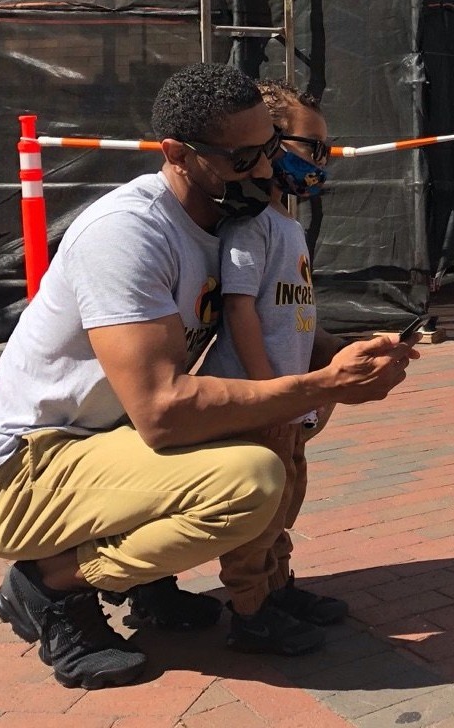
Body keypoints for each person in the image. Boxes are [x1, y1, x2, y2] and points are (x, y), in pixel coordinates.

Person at [0, 64, 418, 690]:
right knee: (249, 479)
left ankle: (151, 582)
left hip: (107, 443)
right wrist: (323, 386)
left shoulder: (227, 225)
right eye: (244, 158)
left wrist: (344, 353)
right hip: (29, 464)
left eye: (271, 148)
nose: (266, 171)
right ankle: (50, 586)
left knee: (253, 447)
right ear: (178, 154)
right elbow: (163, 411)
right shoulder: (127, 233)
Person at [196, 81, 346, 656]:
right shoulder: (250, 226)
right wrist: (270, 390)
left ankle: (278, 589)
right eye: (313, 147)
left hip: (291, 401)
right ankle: (250, 611)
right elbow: (239, 310)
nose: (320, 161)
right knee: (256, 517)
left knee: (286, 501)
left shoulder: (288, 227)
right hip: (262, 399)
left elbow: (293, 314)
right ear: (270, 143)